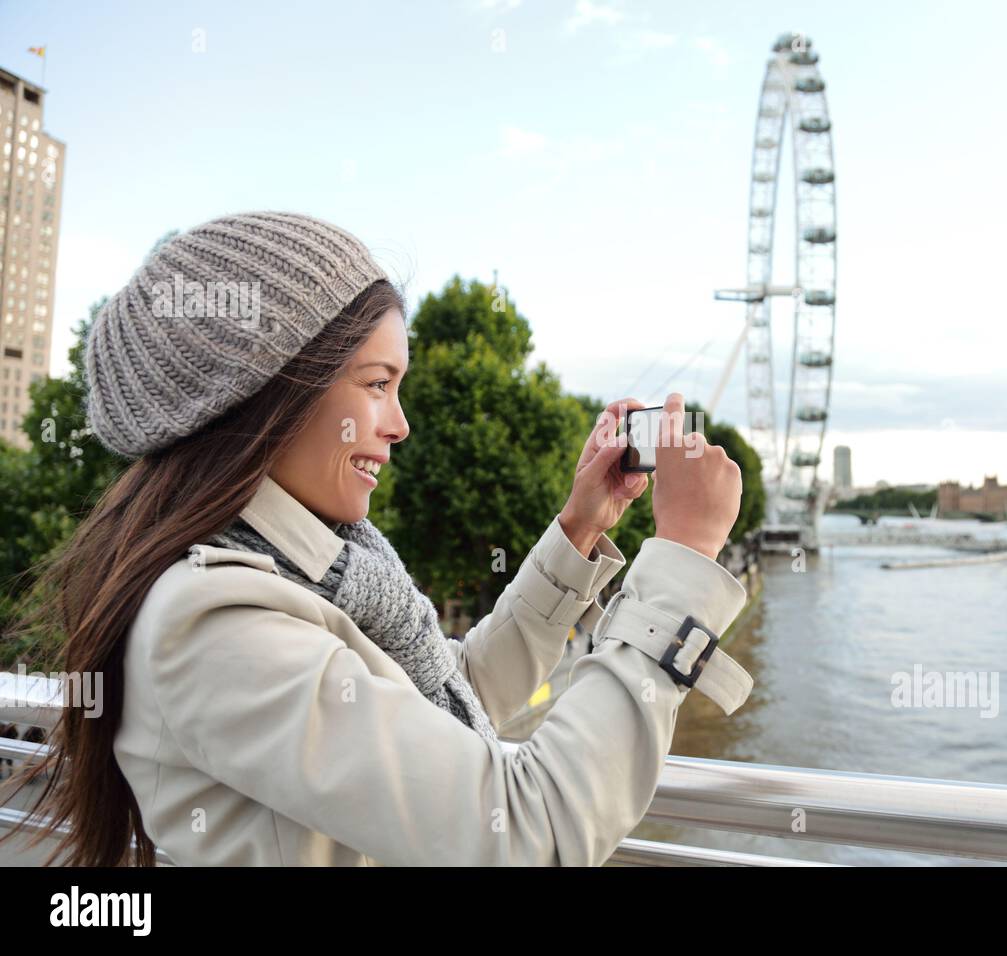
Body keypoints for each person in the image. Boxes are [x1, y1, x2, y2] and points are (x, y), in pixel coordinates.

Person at [0, 211, 753, 866]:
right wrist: (682, 558)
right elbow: (528, 832)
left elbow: (456, 694)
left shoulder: (310, 567)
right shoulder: (214, 625)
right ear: (269, 393)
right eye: (376, 383)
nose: (400, 423)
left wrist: (581, 528)